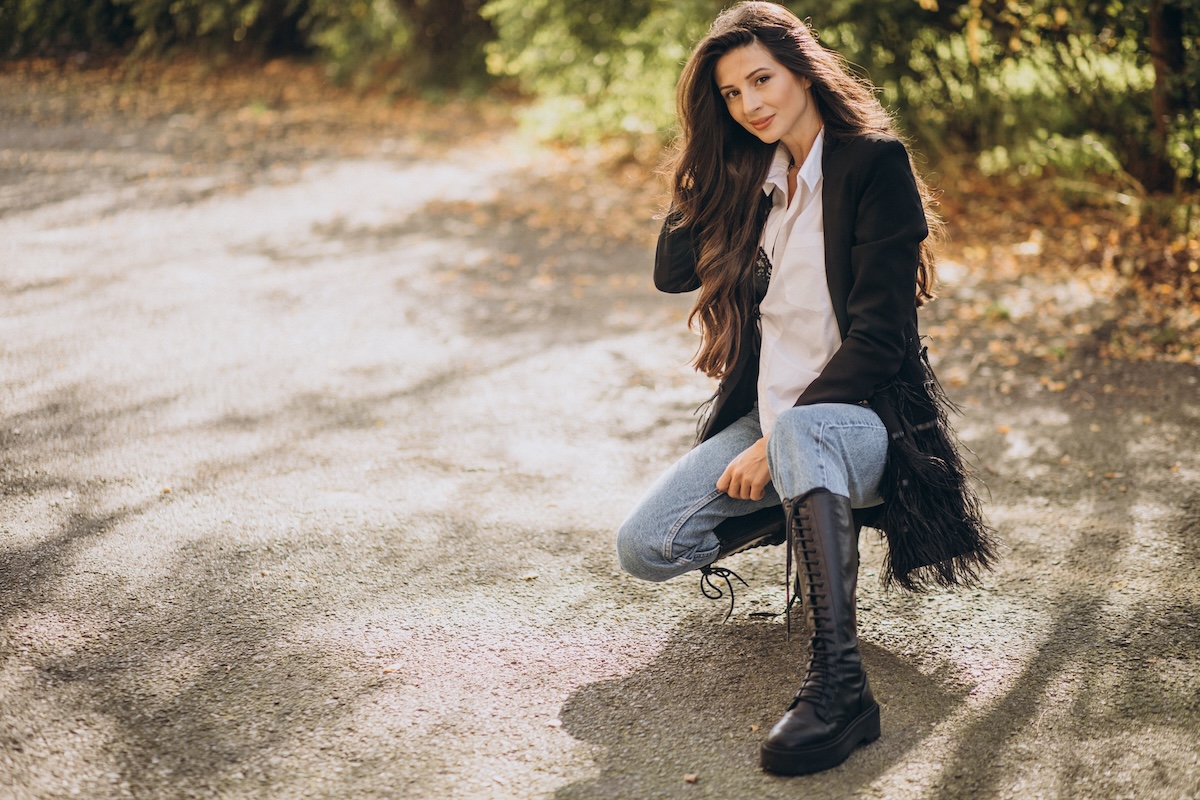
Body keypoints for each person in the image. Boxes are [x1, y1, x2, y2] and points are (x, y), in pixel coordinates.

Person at [615, 1, 996, 777]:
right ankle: (806, 509)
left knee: (799, 433)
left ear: (803, 70)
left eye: (763, 79)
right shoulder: (758, 178)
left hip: (860, 423)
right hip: (774, 423)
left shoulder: (872, 165)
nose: (751, 103)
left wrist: (776, 441)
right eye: (730, 94)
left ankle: (840, 687)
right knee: (648, 546)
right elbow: (670, 272)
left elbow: (881, 340)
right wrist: (713, 162)